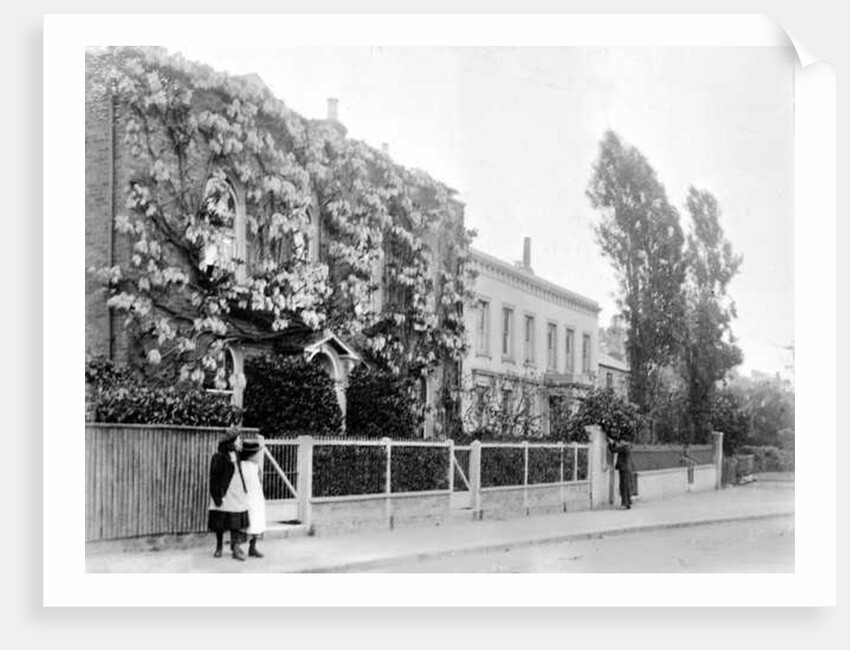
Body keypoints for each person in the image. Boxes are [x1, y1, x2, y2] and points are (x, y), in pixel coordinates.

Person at [208, 428, 250, 560]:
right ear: (231, 442)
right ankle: (219, 547)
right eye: (238, 439)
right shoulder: (219, 457)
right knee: (220, 522)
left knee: (235, 521)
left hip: (237, 492)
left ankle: (235, 549)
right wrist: (216, 497)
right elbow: (214, 479)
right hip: (224, 493)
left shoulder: (237, 455)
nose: (240, 441)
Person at [239, 438, 267, 559]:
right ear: (250, 455)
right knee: (243, 521)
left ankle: (253, 547)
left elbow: (260, 480)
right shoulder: (240, 466)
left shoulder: (256, 467)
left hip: (256, 496)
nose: (258, 456)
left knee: (256, 520)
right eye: (256, 453)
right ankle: (237, 546)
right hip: (245, 496)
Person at [608, 436, 633, 510]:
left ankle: (624, 504)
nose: (620, 442)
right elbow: (617, 447)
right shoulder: (627, 447)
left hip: (623, 468)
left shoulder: (624, 448)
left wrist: (610, 443)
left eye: (622, 441)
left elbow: (613, 450)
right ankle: (628, 503)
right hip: (626, 469)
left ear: (625, 441)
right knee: (626, 486)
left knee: (623, 487)